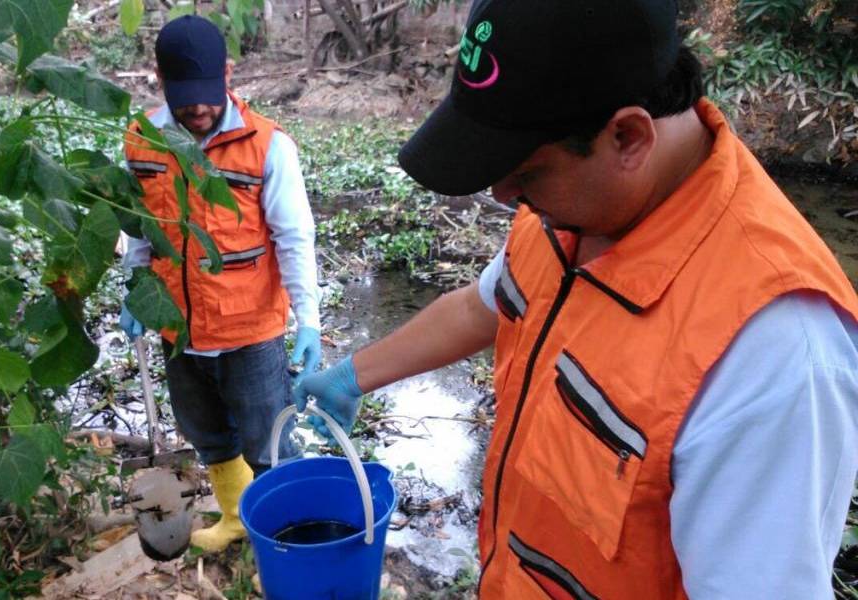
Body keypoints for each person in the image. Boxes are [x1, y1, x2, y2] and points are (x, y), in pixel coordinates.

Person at [293, 0, 858, 596]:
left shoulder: (774, 352)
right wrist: (353, 375)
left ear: (629, 136)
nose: (503, 193)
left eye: (526, 172)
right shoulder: (569, 214)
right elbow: (482, 306)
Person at [120, 15, 321, 553]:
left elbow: (295, 237)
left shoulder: (268, 145)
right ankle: (235, 519)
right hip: (178, 329)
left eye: (207, 96)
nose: (199, 110)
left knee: (270, 443)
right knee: (207, 434)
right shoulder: (141, 140)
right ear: (159, 80)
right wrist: (136, 286)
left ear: (227, 75)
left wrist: (311, 321)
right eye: (185, 99)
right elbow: (138, 226)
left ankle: (287, 540)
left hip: (251, 332)